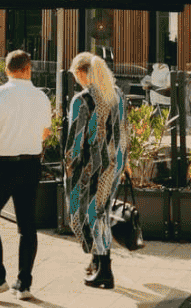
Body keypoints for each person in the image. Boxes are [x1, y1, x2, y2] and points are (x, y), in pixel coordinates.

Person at [0, 50, 52, 300]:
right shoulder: (42, 97)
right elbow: (45, 133)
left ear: (7, 70)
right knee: (27, 225)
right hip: (31, 165)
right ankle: (24, 284)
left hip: (3, 166)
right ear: (29, 69)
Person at [64, 51, 127, 290]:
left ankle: (105, 270)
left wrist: (69, 167)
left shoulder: (81, 100)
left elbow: (75, 139)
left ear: (82, 73)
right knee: (100, 212)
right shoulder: (117, 94)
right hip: (114, 163)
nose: (76, 80)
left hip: (90, 167)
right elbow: (124, 130)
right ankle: (98, 260)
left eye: (75, 75)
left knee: (85, 214)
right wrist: (123, 162)